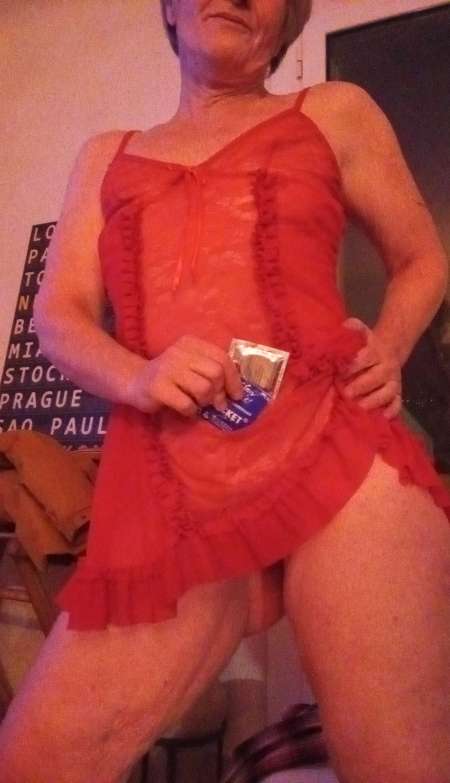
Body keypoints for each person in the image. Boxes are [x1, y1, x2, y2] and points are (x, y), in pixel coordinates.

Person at [1, 1, 449, 781]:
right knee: (32, 761)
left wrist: (391, 342)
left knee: (399, 765)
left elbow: (423, 257)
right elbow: (58, 316)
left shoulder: (335, 111)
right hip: (168, 481)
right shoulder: (105, 157)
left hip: (338, 447)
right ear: (171, 9)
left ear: (285, 22)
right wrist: (139, 375)